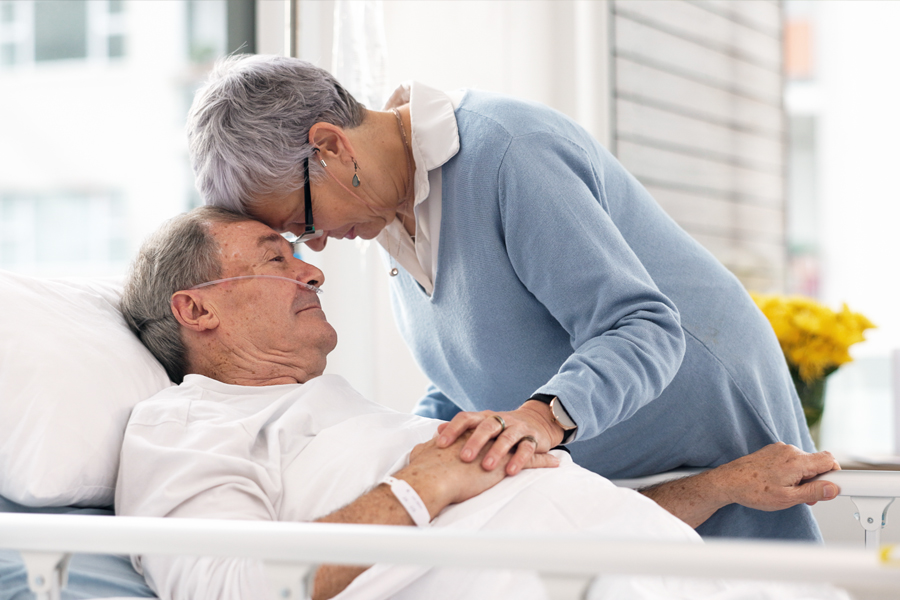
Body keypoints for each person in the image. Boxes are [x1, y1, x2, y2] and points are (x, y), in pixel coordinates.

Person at [185, 56, 821, 542]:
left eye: (304, 221)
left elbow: (646, 327)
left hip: (703, 429)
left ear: (330, 147)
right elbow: (473, 369)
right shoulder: (389, 215)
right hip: (604, 469)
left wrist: (540, 420)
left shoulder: (507, 153)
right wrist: (421, 441)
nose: (316, 248)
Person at [116, 207, 841, 600]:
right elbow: (227, 588)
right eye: (277, 258)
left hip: (661, 569)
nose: (312, 270)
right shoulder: (182, 426)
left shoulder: (364, 417)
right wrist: (420, 484)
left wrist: (723, 487)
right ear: (196, 310)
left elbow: (536, 516)